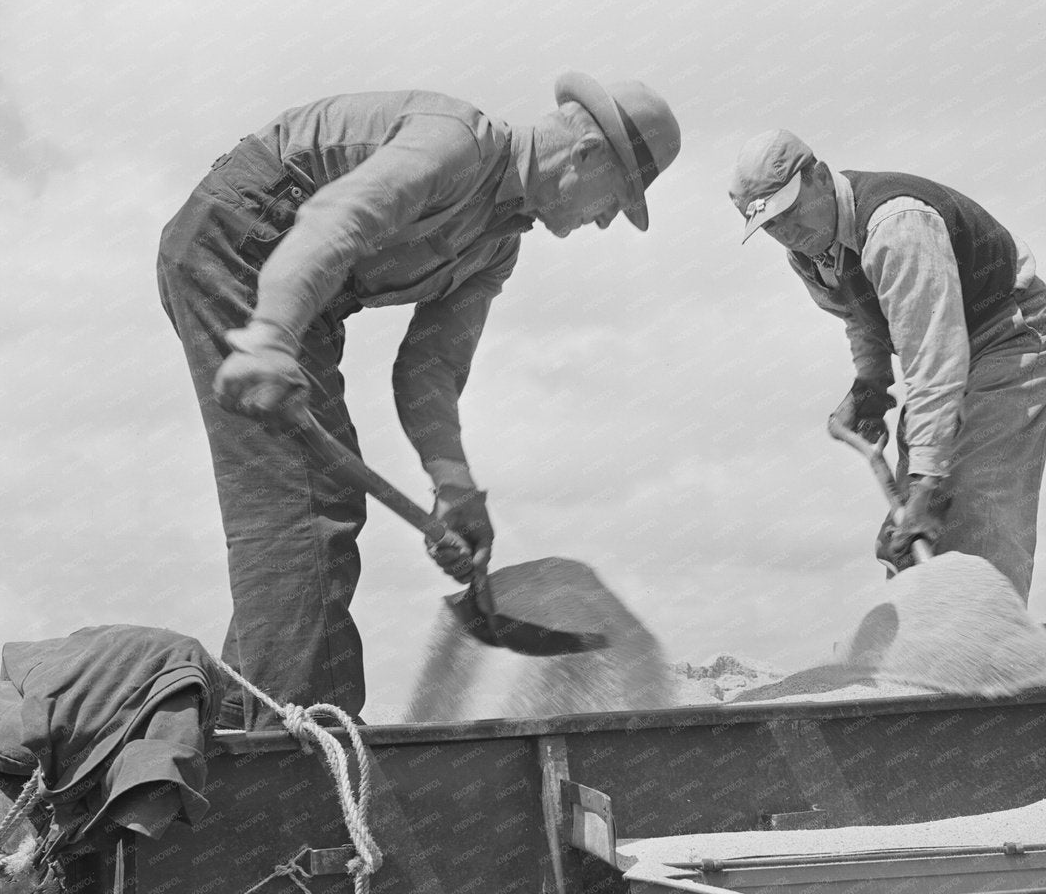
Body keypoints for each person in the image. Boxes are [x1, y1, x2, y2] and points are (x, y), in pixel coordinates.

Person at [156, 75, 681, 728]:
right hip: (241, 241)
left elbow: (429, 369)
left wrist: (453, 484)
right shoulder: (454, 144)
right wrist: (269, 336)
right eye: (617, 199)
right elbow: (337, 220)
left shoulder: (496, 247)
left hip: (301, 295)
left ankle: (244, 730)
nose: (605, 219)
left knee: (311, 506)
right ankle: (302, 762)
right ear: (586, 156)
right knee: (307, 506)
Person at [728, 129, 1046, 601]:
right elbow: (859, 313)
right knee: (917, 517)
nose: (787, 233)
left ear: (821, 178)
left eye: (790, 212)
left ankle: (987, 655)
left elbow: (933, 364)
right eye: (771, 226)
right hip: (947, 348)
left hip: (1010, 334)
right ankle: (925, 643)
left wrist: (927, 487)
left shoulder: (897, 227)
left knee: (970, 495)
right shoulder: (807, 250)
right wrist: (870, 384)